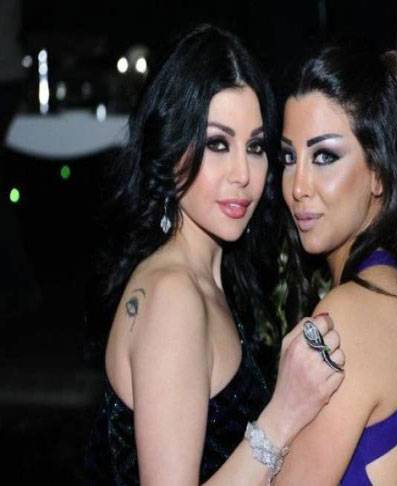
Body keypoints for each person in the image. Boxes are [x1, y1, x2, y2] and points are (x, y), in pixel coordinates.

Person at [85, 25, 345, 485]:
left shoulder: (206, 280)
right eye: (217, 144)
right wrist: (282, 415)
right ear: (172, 148)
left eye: (256, 147)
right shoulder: (173, 298)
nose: (243, 173)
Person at [277, 45, 397, 485]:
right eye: (288, 157)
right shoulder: (394, 283)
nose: (297, 186)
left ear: (379, 172)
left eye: (324, 156)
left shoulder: (351, 314)